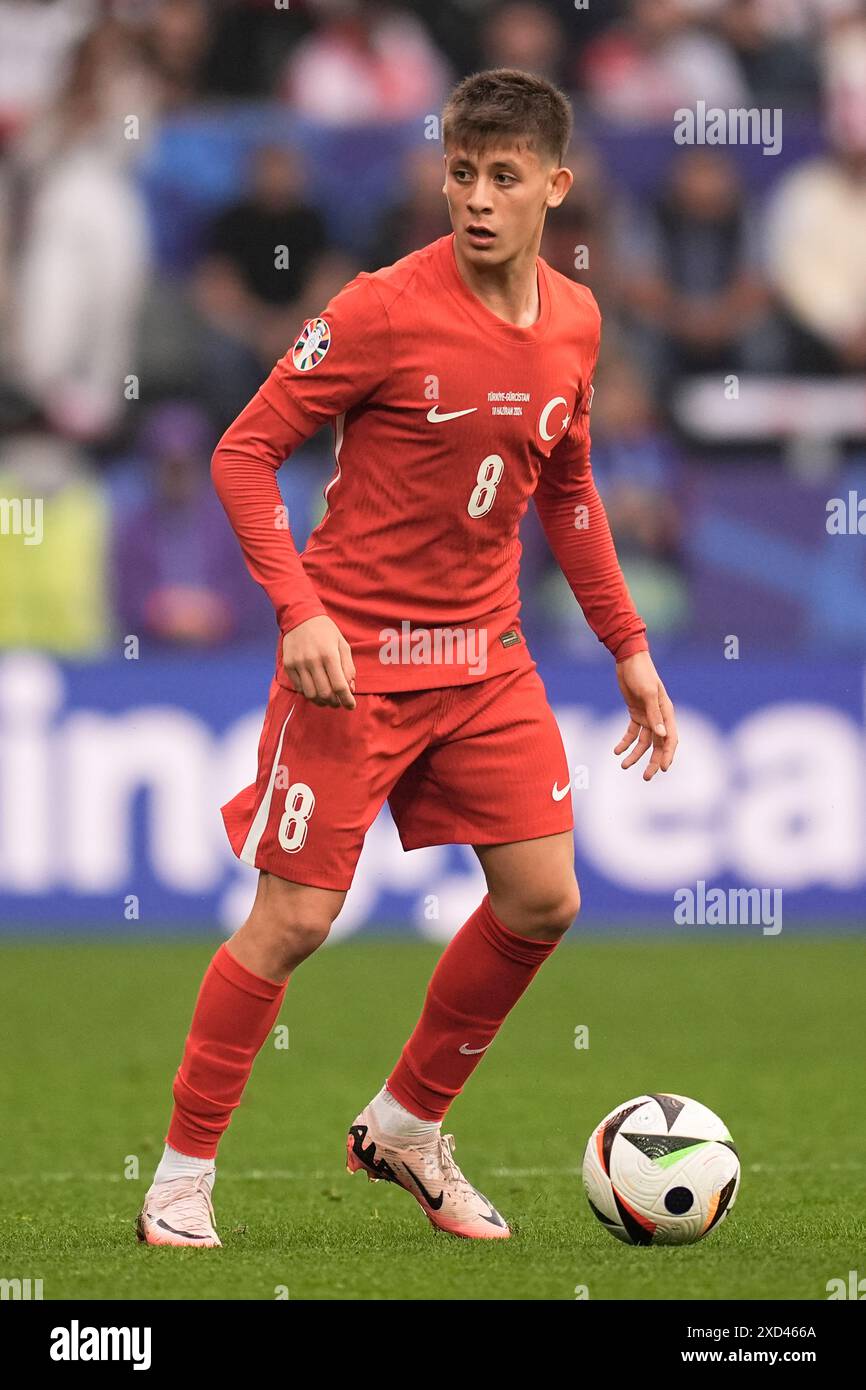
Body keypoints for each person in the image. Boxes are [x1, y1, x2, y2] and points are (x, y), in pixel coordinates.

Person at [136, 67, 678, 1249]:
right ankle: (179, 1177)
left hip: (483, 657)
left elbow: (570, 492)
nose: (475, 199)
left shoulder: (578, 322)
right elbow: (242, 454)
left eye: (501, 178)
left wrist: (627, 648)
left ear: (554, 187)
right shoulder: (380, 307)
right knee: (292, 922)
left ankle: (405, 1125)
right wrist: (299, 614)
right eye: (458, 174)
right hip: (351, 661)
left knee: (542, 899)